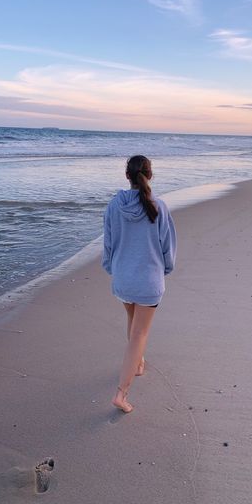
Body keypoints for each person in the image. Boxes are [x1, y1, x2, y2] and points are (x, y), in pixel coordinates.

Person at [102, 155, 177, 413]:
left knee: (133, 325)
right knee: (139, 333)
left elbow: (108, 243)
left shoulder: (114, 205)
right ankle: (121, 393)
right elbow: (167, 247)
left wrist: (112, 268)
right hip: (147, 281)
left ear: (127, 176)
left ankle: (139, 363)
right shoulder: (159, 206)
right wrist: (165, 269)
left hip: (123, 278)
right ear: (150, 175)